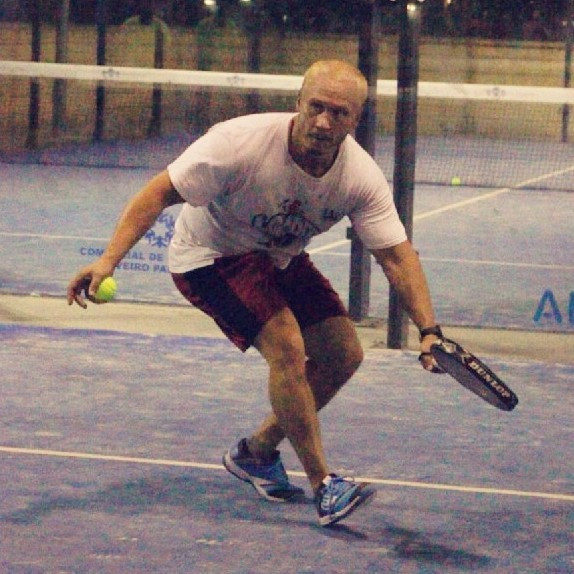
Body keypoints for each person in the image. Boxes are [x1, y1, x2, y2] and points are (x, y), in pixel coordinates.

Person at [67, 60, 443, 527]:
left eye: (339, 113)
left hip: (277, 257)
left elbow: (397, 257)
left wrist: (430, 330)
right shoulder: (238, 143)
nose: (324, 122)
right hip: (210, 258)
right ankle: (325, 485)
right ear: (298, 102)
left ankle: (256, 452)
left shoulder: (359, 177)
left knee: (343, 354)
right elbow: (159, 192)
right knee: (287, 347)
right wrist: (107, 261)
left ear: (356, 119)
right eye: (316, 107)